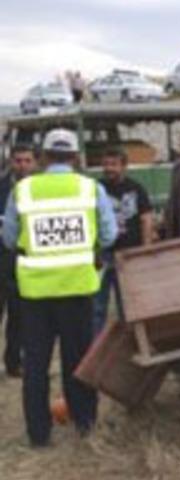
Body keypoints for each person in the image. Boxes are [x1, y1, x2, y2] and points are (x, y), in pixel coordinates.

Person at [2, 129, 117, 447]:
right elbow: (108, 235)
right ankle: (84, 424)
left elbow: (10, 239)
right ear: (76, 157)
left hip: (35, 294)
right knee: (77, 360)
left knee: (36, 366)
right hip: (78, 289)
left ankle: (39, 435)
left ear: (43, 157)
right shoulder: (90, 189)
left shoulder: (23, 191)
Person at [92, 147, 154, 335]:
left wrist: (146, 249)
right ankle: (95, 347)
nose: (109, 168)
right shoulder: (95, 189)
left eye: (114, 164)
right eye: (106, 164)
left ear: (124, 166)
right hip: (102, 256)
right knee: (97, 306)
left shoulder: (136, 189)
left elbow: (146, 219)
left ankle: (131, 342)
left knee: (128, 305)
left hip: (128, 255)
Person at [0, 144, 38, 378]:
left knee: (18, 314)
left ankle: (14, 362)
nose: (22, 165)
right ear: (11, 162)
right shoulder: (2, 187)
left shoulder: (38, 189)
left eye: (27, 160)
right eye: (18, 160)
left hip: (22, 258)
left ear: (35, 163)